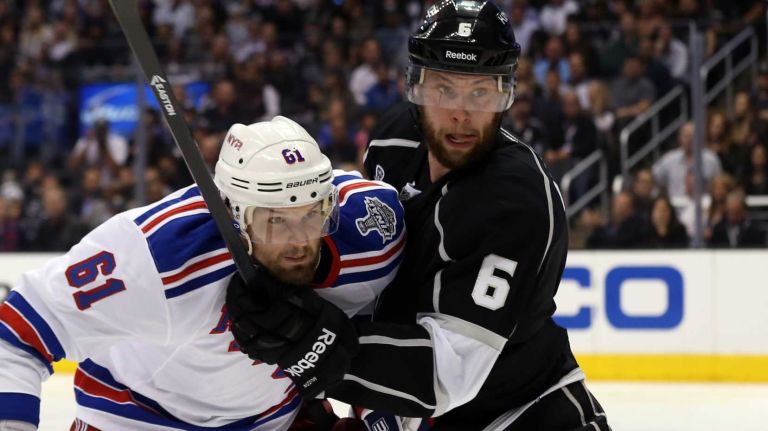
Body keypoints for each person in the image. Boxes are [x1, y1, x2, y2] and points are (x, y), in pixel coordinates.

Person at [226, 2, 610, 430]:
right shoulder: (393, 143)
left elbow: (448, 375)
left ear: (506, 96)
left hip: (525, 416)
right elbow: (376, 282)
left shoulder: (515, 201)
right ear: (416, 88)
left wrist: (309, 343)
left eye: (480, 92)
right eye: (444, 90)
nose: (461, 113)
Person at [0, 116, 405, 430]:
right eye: (275, 222)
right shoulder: (158, 254)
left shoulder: (372, 230)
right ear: (232, 215)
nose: (299, 241)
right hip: (134, 418)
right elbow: (15, 334)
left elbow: (388, 323)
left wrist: (377, 404)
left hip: (272, 420)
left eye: (312, 217)